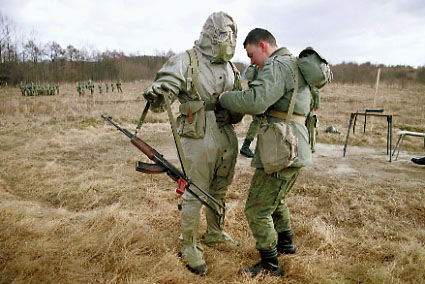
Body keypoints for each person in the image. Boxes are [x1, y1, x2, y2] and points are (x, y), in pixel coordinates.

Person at [142, 11, 243, 275]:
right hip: (198, 135)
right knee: (196, 191)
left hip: (226, 135)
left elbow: (242, 100)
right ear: (211, 35)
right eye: (223, 35)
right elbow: (165, 87)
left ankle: (215, 233)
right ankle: (188, 244)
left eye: (232, 35)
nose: (228, 40)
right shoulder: (186, 60)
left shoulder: (233, 68)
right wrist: (159, 92)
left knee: (220, 188)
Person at [218, 28, 313, 277]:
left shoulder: (277, 65)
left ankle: (270, 264)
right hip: (293, 145)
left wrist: (225, 98)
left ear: (263, 46)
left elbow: (256, 101)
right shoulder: (291, 64)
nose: (251, 62)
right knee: (276, 198)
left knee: (257, 209)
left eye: (251, 55)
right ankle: (286, 245)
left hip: (282, 147)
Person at [239, 65, 261, 158]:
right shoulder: (258, 68)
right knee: (258, 122)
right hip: (256, 98)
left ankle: (253, 147)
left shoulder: (255, 68)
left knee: (259, 123)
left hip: (254, 97)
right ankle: (245, 147)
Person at [306, 86, 320, 153]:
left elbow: (316, 106)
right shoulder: (314, 90)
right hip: (306, 112)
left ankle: (311, 146)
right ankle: (311, 146)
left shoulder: (313, 90)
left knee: (311, 130)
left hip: (308, 113)